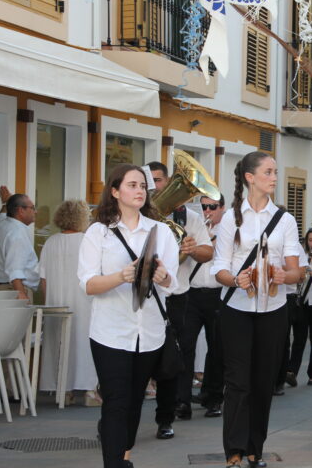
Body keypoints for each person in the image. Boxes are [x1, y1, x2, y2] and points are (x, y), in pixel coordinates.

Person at [78, 164, 179, 468]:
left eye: (142, 186)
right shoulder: (98, 232)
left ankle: (125, 458)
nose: (139, 191)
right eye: (132, 185)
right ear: (114, 191)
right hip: (110, 332)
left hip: (148, 333)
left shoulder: (160, 231)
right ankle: (114, 464)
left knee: (134, 402)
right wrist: (121, 276)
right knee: (116, 402)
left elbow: (175, 285)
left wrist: (162, 278)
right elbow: (88, 284)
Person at [211, 151, 302, 468]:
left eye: (276, 171)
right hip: (237, 308)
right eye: (268, 172)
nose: (274, 177)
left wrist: (283, 275)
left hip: (274, 309)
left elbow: (296, 270)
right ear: (250, 177)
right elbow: (219, 268)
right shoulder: (230, 218)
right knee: (238, 382)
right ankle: (233, 449)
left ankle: (255, 449)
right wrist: (236, 280)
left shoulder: (286, 219)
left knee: (263, 382)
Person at [147, 161, 213, 439]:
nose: (154, 187)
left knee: (173, 358)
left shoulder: (189, 217)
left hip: (176, 295)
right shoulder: (137, 216)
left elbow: (208, 252)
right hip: (145, 296)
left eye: (159, 180)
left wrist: (192, 248)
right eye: (147, 182)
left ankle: (168, 414)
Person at [39, 200, 98, 404]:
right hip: (83, 299)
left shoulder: (50, 242)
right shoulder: (86, 240)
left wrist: (49, 301)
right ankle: (89, 390)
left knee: (59, 345)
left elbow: (43, 278)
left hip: (57, 300)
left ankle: (62, 389)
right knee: (84, 343)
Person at [178, 193, 227, 418]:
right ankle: (182, 400)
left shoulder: (229, 231)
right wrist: (198, 242)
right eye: (204, 206)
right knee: (185, 345)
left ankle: (214, 397)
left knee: (216, 347)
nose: (207, 211)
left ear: (222, 208)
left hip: (218, 294)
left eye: (212, 207)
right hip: (193, 293)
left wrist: (212, 242)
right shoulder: (195, 227)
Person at [286, 227, 312, 386]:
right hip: (302, 302)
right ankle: (292, 371)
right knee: (299, 338)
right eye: (310, 240)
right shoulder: (302, 257)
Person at [277, 232, 308, 395]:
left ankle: (279, 380)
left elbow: (301, 274)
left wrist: (278, 267)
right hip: (267, 296)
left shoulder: (295, 247)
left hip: (288, 296)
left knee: (283, 340)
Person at [0, 193, 39, 299]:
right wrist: (21, 294)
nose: (36, 211)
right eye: (32, 208)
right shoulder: (18, 234)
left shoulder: (3, 224)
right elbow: (15, 269)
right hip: (14, 290)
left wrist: (5, 203)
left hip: (4, 288)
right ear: (21, 210)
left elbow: (2, 215)